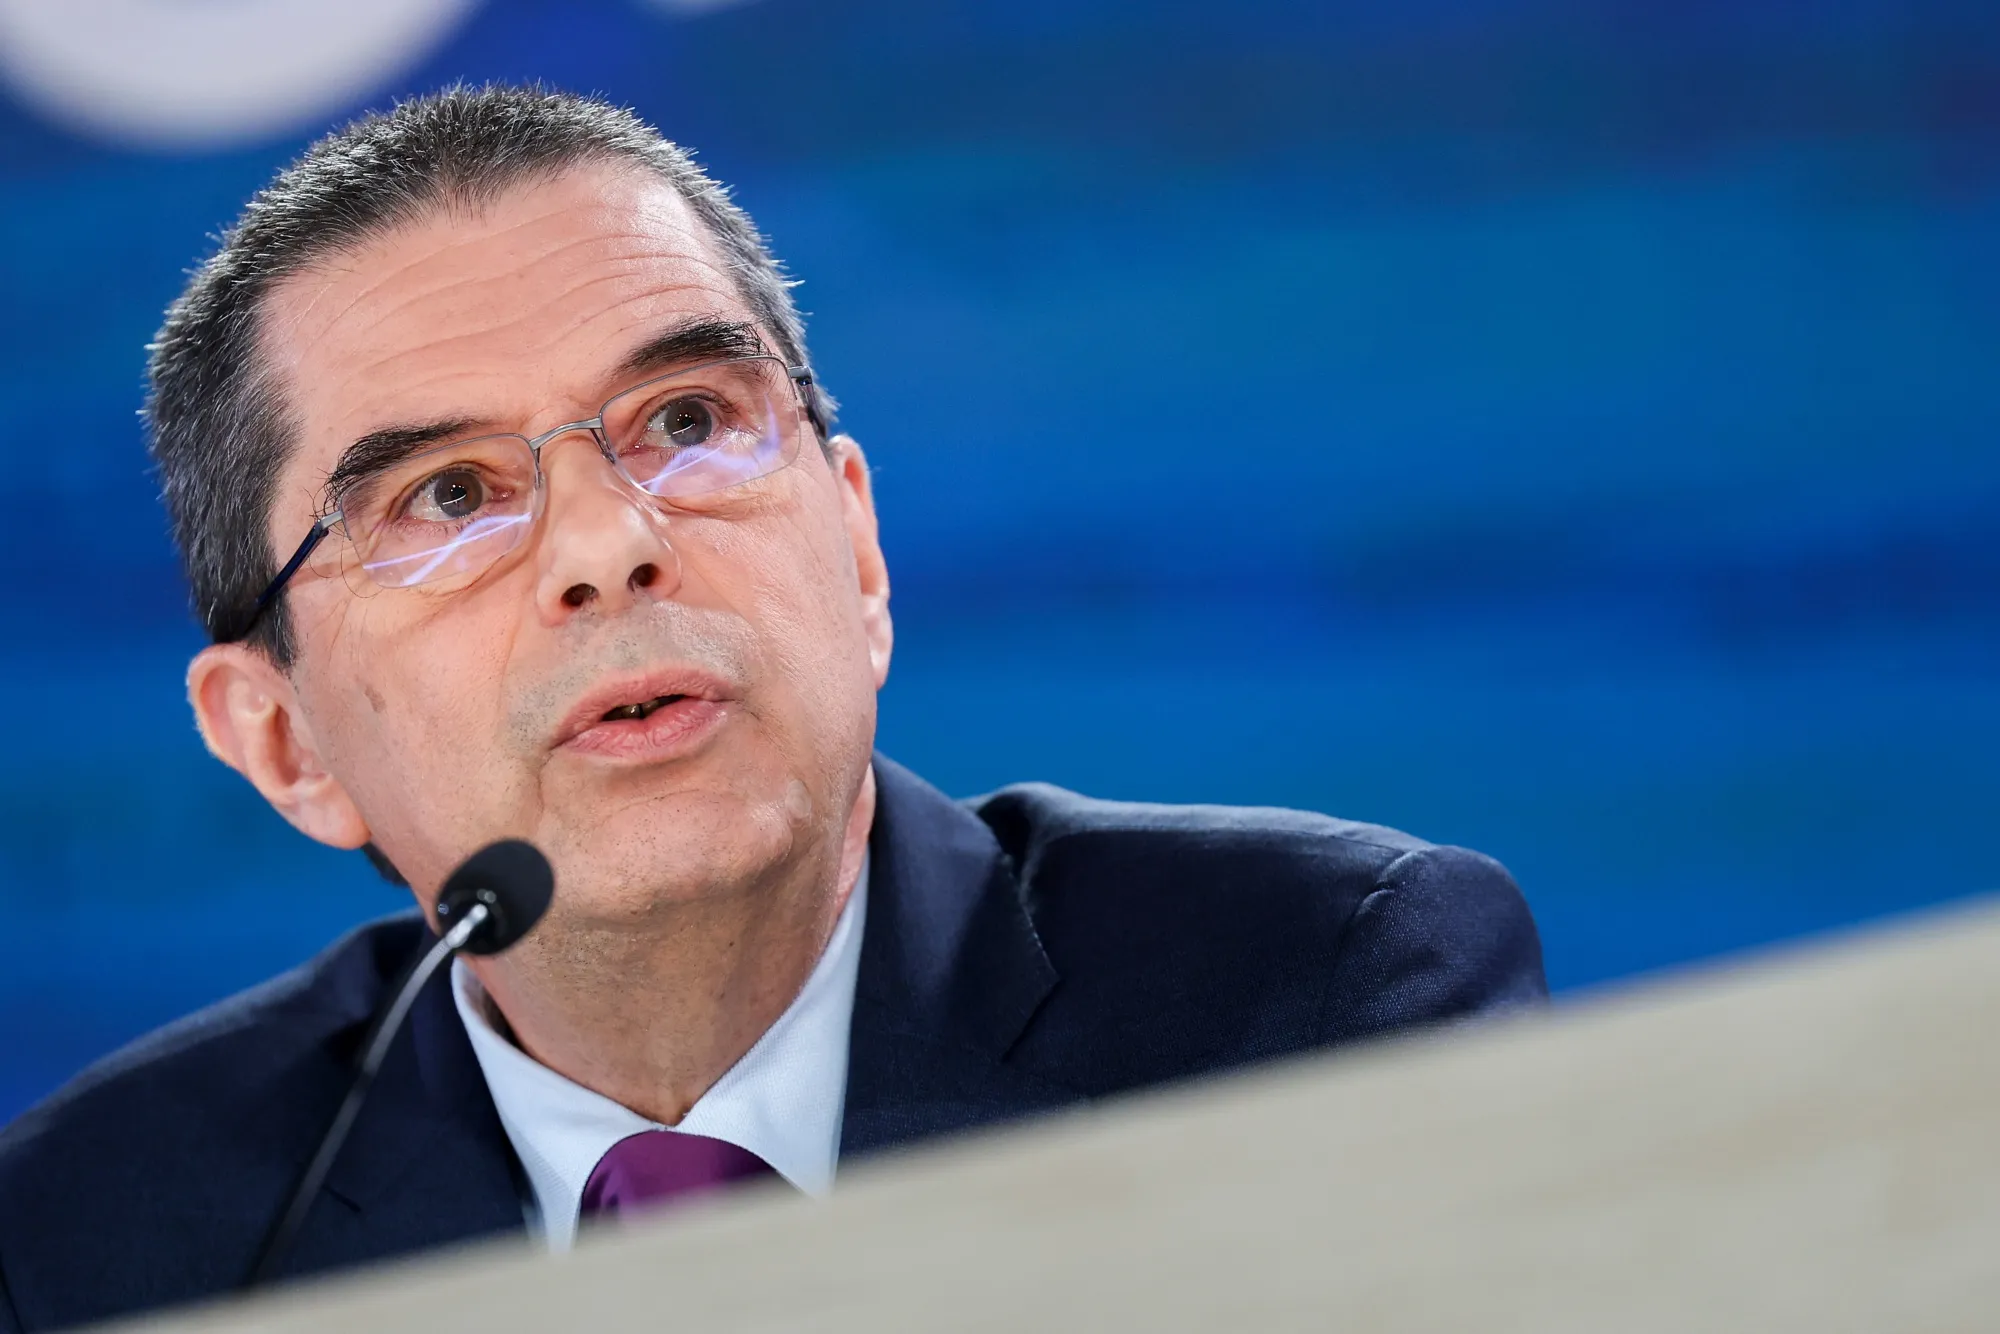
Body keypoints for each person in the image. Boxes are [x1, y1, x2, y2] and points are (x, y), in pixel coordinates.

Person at [0, 85, 1544, 1331]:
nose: (608, 543)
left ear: (858, 552)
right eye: (449, 495)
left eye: (686, 418)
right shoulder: (101, 1242)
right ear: (283, 741)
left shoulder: (1321, 1012)